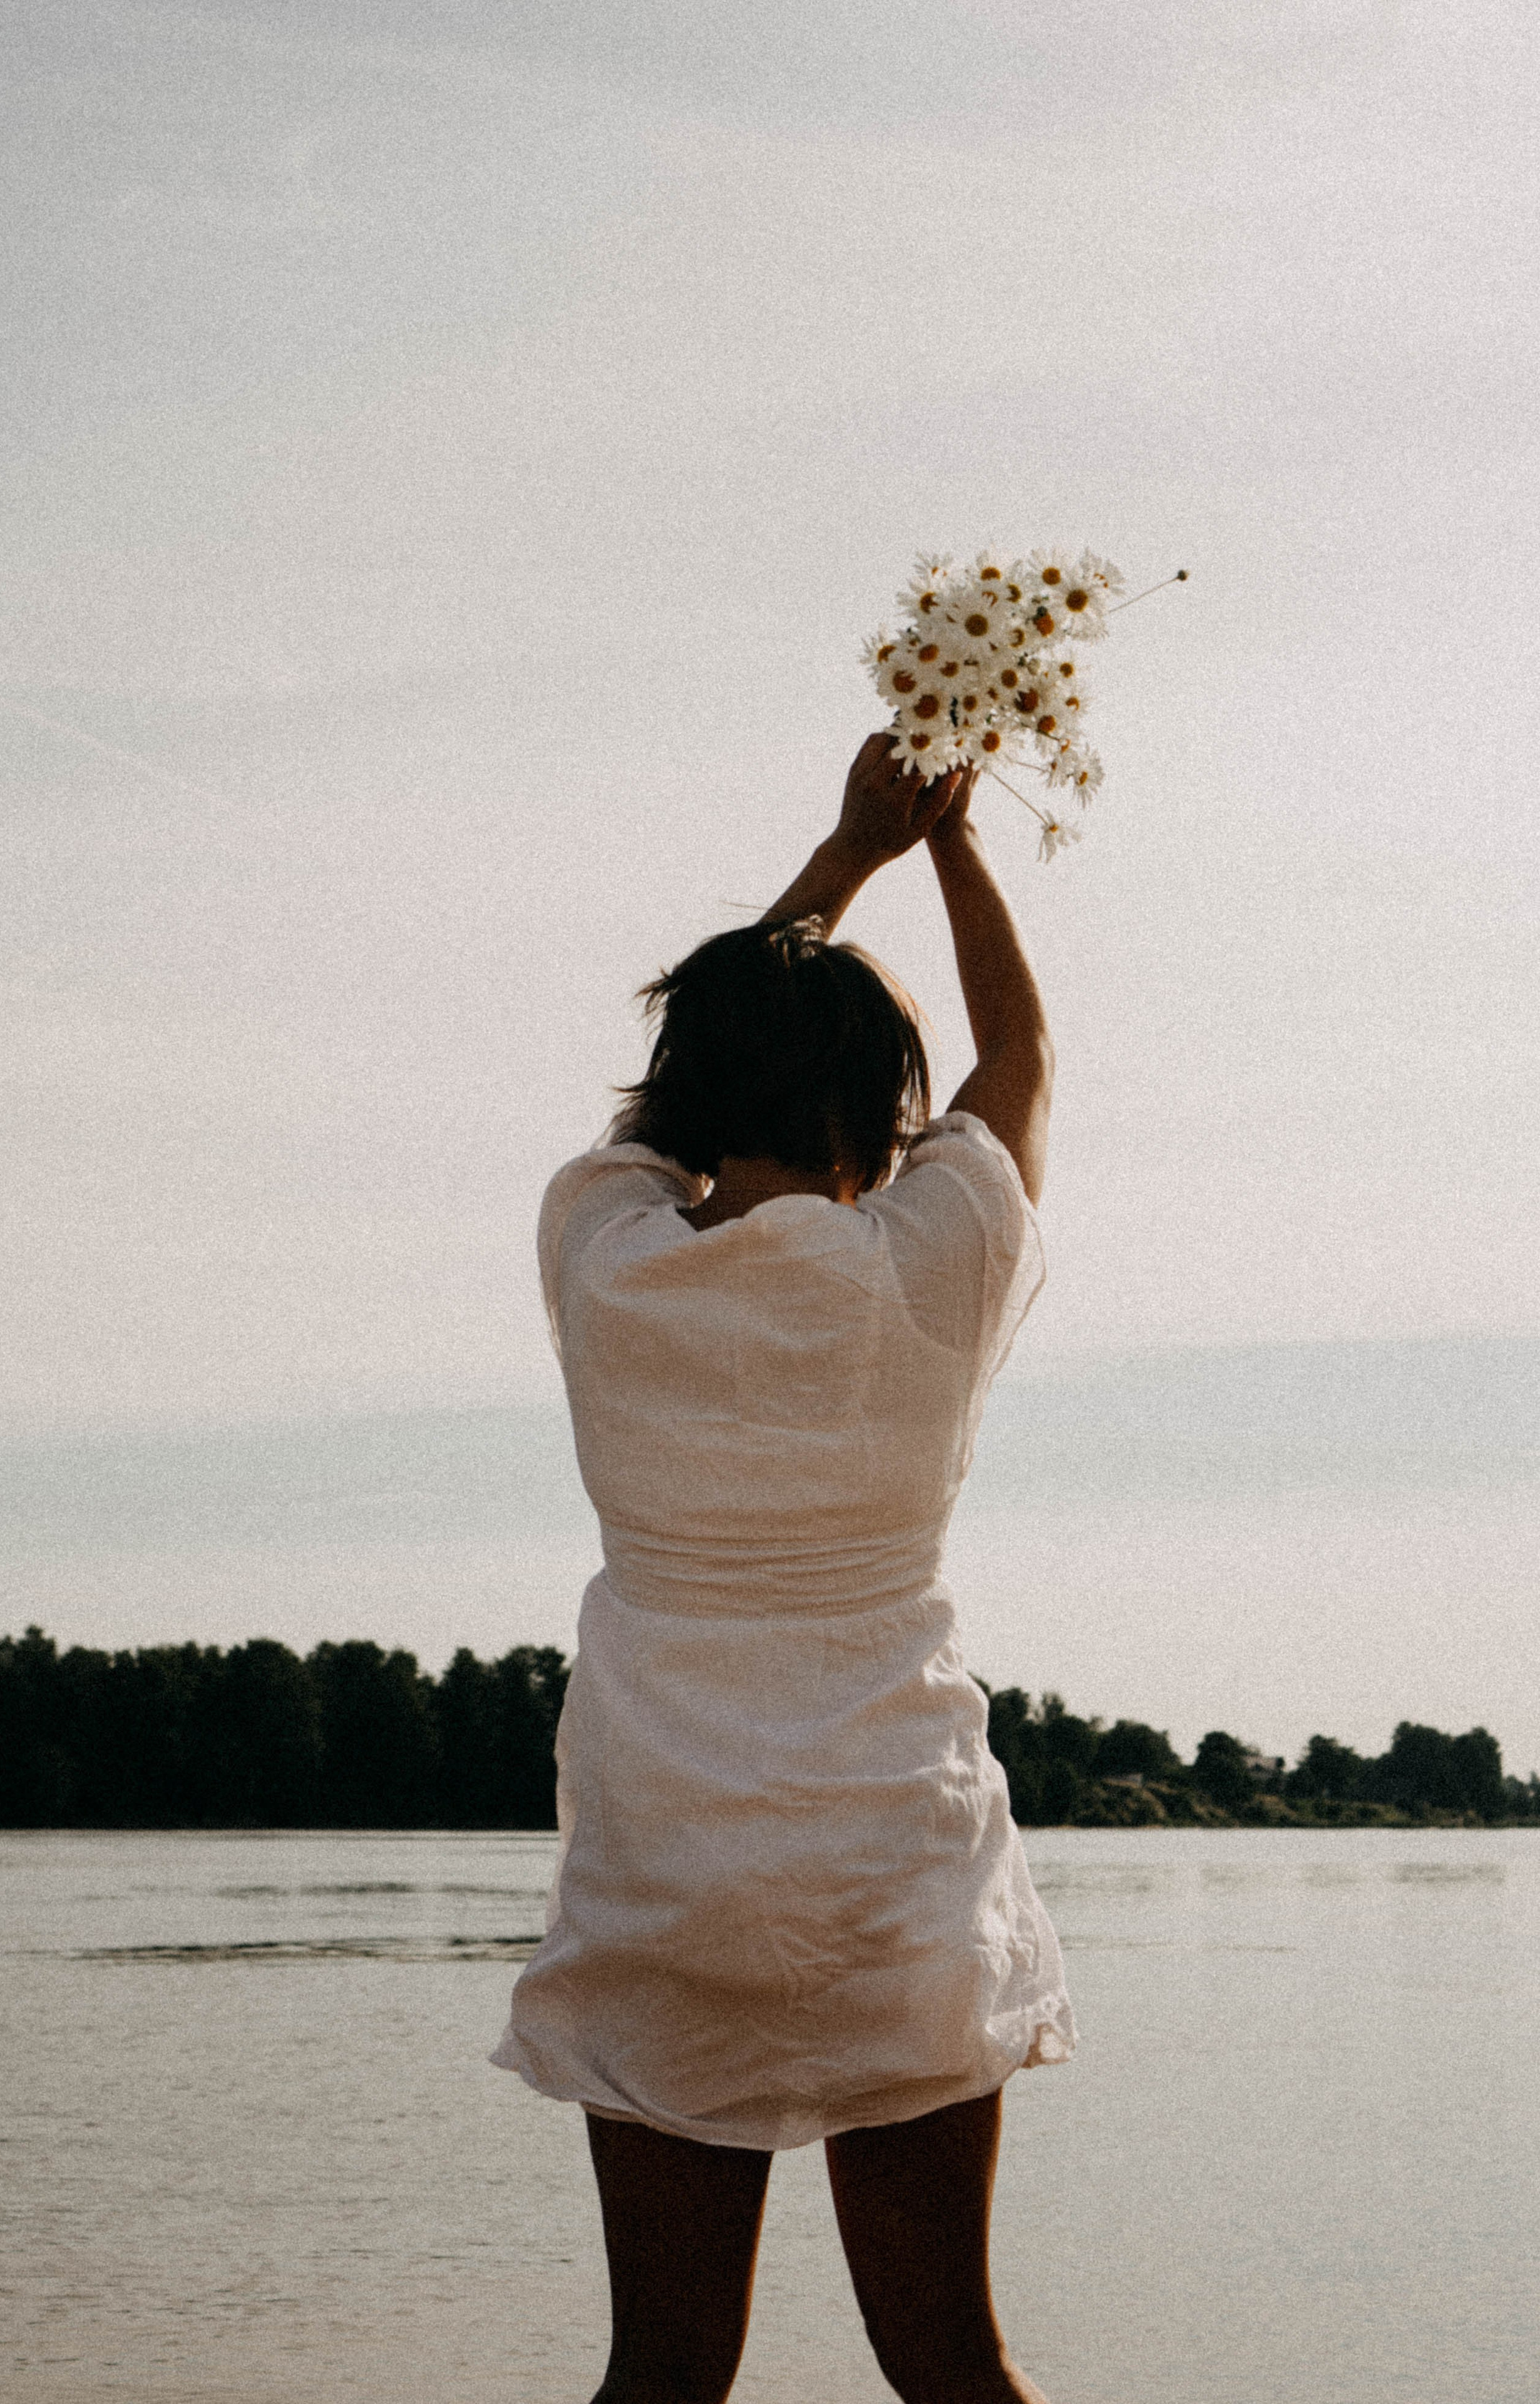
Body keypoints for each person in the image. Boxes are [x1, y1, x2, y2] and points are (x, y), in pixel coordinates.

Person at [492, 730, 1074, 2404]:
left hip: (669, 1868)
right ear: (877, 1110)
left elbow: (670, 1114)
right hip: (894, 1869)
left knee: (662, 2376)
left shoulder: (603, 1252)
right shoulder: (937, 1258)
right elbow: (1022, 1051)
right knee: (956, 2367)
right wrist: (953, 849)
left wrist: (844, 855)